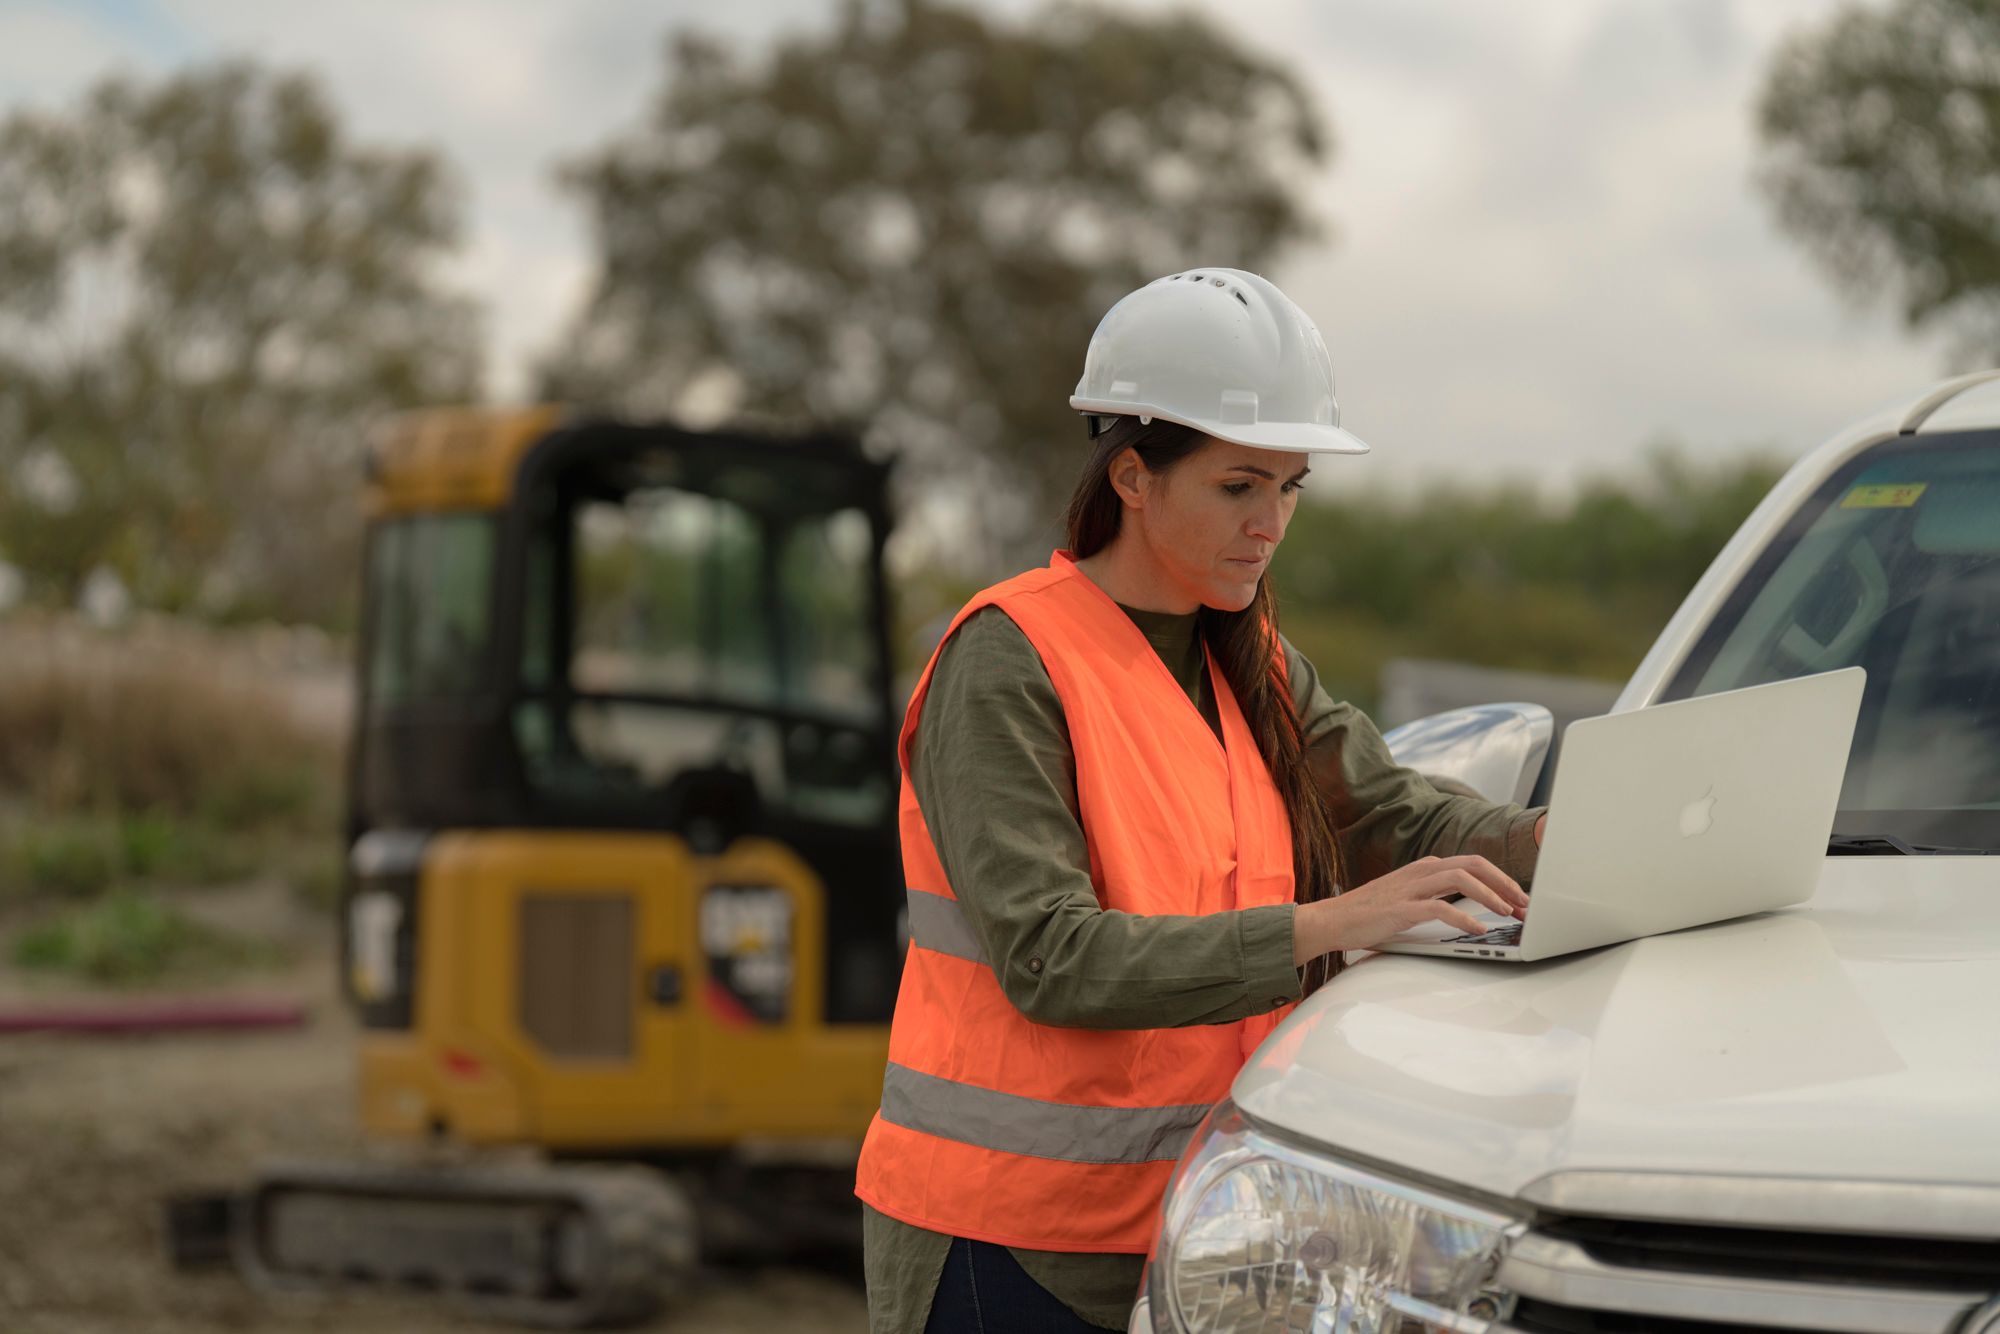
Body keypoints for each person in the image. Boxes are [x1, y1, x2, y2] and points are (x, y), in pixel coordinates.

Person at [854, 267, 1548, 1333]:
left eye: (1289, 487)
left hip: (1198, 1231)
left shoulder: (1249, 662)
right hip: (1005, 1246)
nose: (1269, 522)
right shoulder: (1005, 659)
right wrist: (1326, 923)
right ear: (1131, 476)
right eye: (1237, 485)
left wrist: (1592, 844)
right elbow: (1049, 955)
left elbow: (1397, 815)